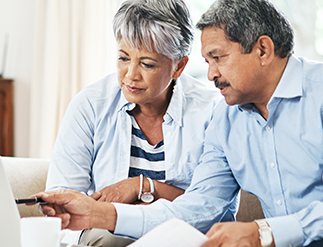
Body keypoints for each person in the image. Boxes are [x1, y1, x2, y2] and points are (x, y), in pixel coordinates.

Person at [35, 0, 323, 246]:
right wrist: (101, 215)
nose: (209, 76)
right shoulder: (225, 116)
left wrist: (262, 233)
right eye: (207, 62)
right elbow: (199, 208)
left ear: (262, 49)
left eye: (218, 58)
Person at [44, 0, 222, 246]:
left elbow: (212, 209)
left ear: (179, 66)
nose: (130, 75)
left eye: (147, 64)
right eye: (123, 58)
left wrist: (143, 187)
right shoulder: (90, 104)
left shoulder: (212, 111)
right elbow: (63, 200)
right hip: (108, 237)